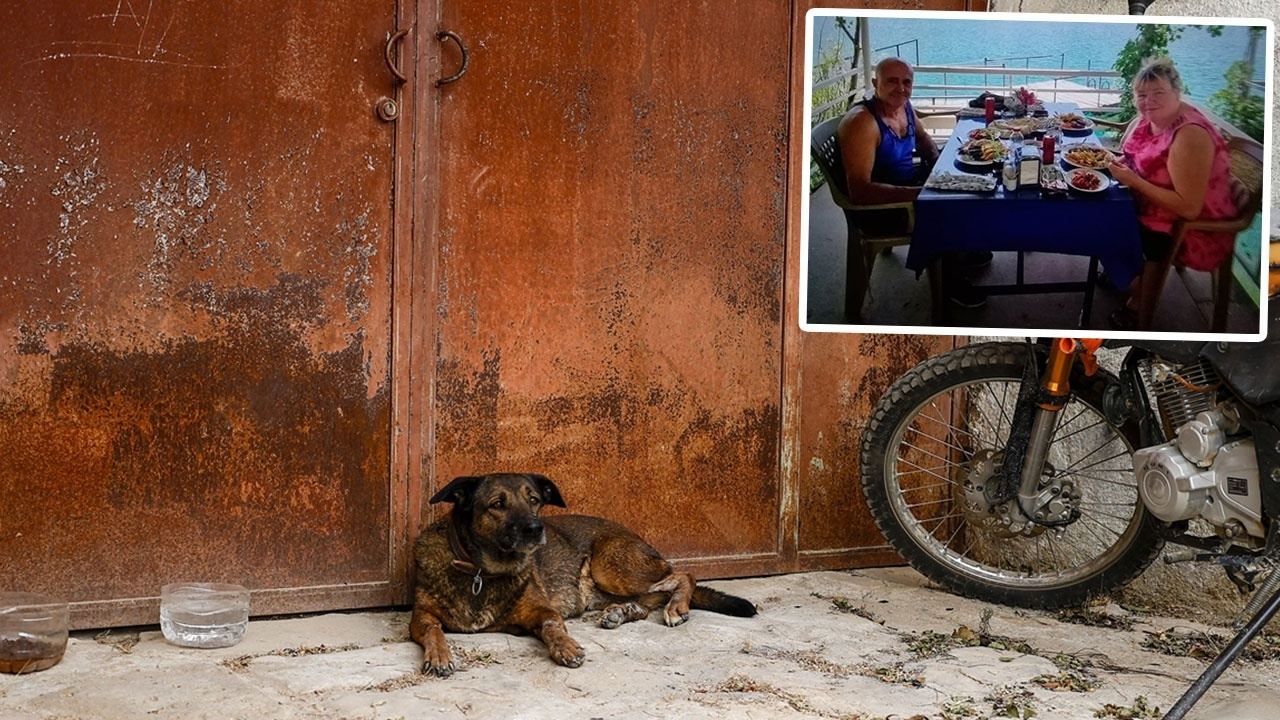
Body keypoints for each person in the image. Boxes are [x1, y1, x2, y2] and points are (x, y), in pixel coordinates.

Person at [836, 57, 988, 310]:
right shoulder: (862, 123)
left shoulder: (903, 107)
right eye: (892, 81)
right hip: (879, 210)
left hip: (906, 184)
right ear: (876, 83)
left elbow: (923, 138)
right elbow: (860, 192)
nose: (901, 88)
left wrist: (937, 164)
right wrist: (922, 193)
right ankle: (949, 284)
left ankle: (960, 252)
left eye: (907, 82)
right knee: (950, 206)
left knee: (966, 186)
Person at [1106, 57, 1238, 330]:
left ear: (1177, 93)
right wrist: (1117, 162)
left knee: (1105, 223)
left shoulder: (1189, 134)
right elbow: (1141, 158)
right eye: (1142, 95)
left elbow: (1189, 207)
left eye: (1158, 93)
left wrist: (1135, 182)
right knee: (1100, 212)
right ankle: (1123, 272)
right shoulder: (1151, 118)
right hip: (1150, 200)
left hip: (1190, 224)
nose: (1149, 101)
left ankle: (1140, 299)